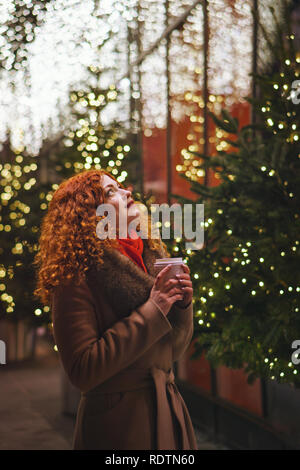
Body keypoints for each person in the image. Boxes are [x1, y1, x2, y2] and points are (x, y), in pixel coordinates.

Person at [34, 168, 198, 450]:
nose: (127, 192)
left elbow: (172, 353)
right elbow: (82, 370)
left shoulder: (149, 257)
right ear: (90, 215)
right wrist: (154, 308)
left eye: (120, 187)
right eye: (111, 192)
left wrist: (181, 305)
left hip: (170, 412)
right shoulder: (76, 276)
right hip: (120, 427)